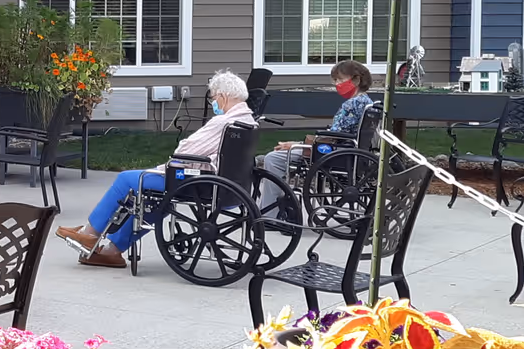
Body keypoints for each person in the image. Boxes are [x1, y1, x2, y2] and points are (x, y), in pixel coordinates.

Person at [56, 70, 257, 269]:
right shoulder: (248, 121)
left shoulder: (223, 121)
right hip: (227, 187)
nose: (213, 102)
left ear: (222, 96)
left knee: (126, 179)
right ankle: (112, 252)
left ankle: (90, 234)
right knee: (155, 200)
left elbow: (185, 150)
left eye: (213, 98)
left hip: (197, 182)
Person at [258, 59, 375, 211]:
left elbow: (332, 136)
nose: (336, 84)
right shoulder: (366, 101)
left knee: (272, 158)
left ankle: (269, 214)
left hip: (334, 151)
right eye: (335, 80)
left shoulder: (352, 104)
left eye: (339, 79)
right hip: (345, 149)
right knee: (281, 153)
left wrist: (296, 145)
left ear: (356, 79)